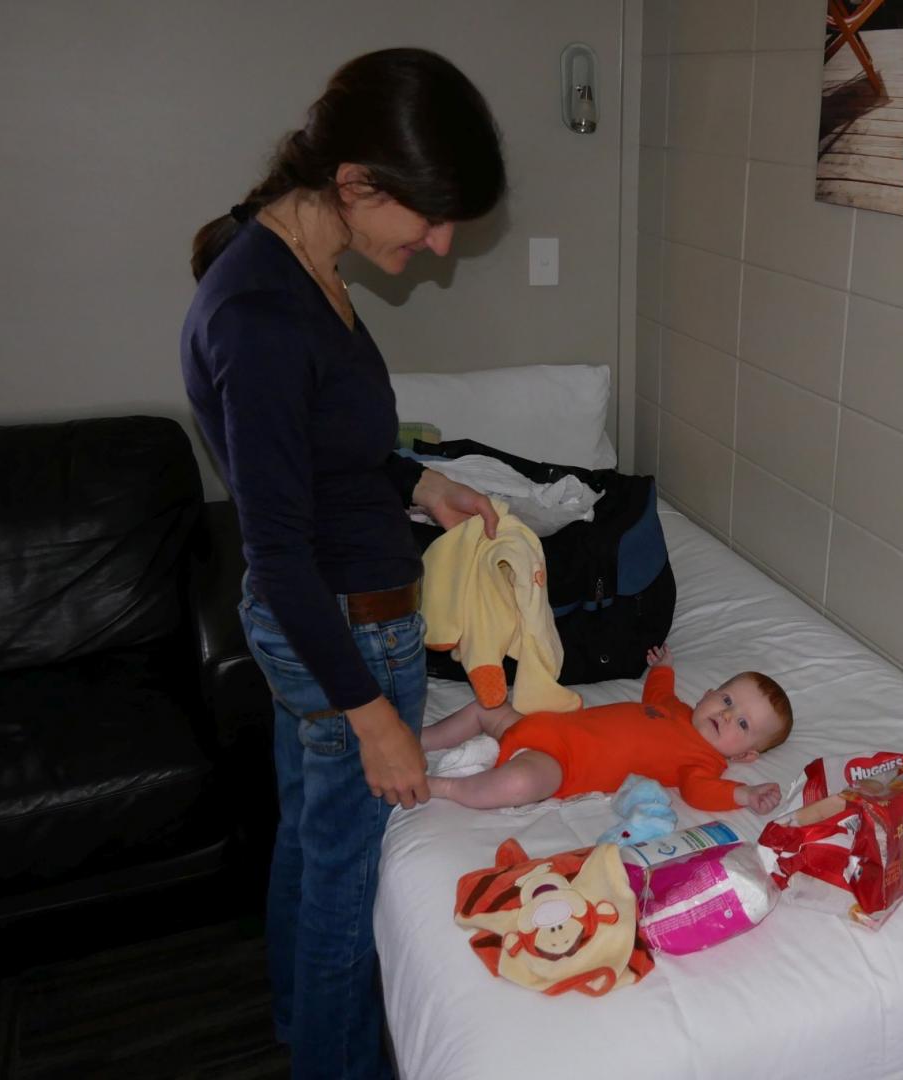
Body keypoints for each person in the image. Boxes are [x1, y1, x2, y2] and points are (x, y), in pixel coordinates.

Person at [180, 48, 506, 1080]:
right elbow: (277, 552)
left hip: (328, 625)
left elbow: (321, 450)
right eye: (432, 217)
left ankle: (294, 1021)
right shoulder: (263, 316)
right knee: (345, 889)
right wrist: (376, 720)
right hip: (342, 631)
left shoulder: (290, 262)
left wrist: (420, 482)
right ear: (357, 182)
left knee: (310, 844)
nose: (441, 244)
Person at [423, 645, 792, 813]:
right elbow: (658, 692)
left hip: (559, 764)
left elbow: (699, 793)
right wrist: (663, 667)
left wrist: (744, 794)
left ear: (745, 755)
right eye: (727, 700)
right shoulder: (675, 709)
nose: (726, 715)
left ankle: (443, 786)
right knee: (486, 708)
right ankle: (422, 739)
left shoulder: (703, 762)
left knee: (519, 784)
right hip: (544, 726)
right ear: (708, 694)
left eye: (742, 724)